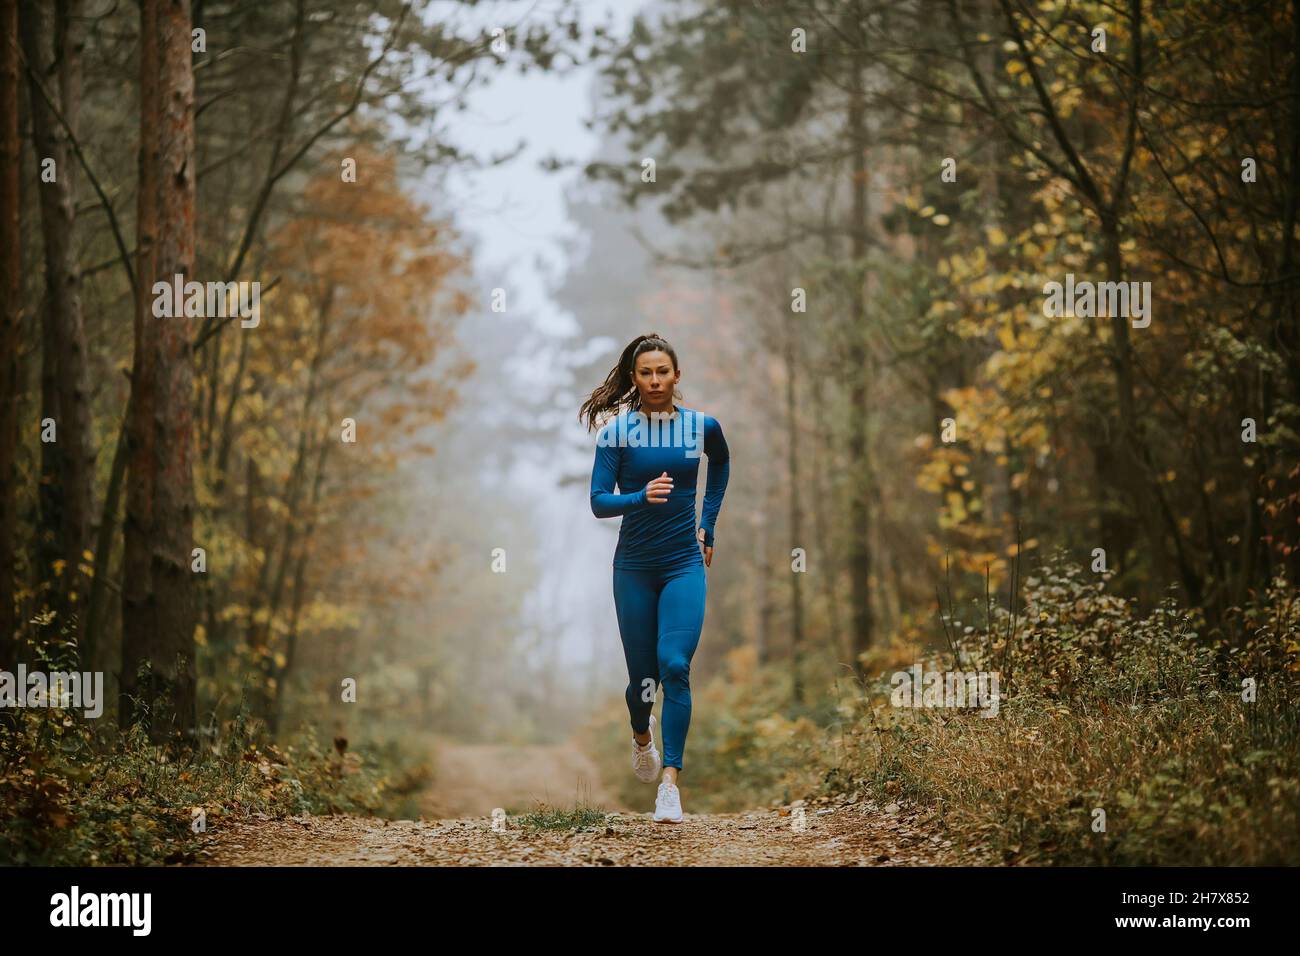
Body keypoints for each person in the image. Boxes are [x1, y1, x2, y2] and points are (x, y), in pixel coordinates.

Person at [580, 332, 730, 824]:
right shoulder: (617, 435)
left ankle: (670, 784)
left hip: (684, 562)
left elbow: (722, 462)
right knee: (642, 681)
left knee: (675, 665)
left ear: (677, 375)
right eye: (645, 372)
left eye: (662, 371)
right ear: (634, 378)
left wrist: (707, 519)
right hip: (635, 569)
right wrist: (639, 498)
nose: (655, 380)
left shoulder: (700, 428)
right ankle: (640, 735)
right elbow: (600, 502)